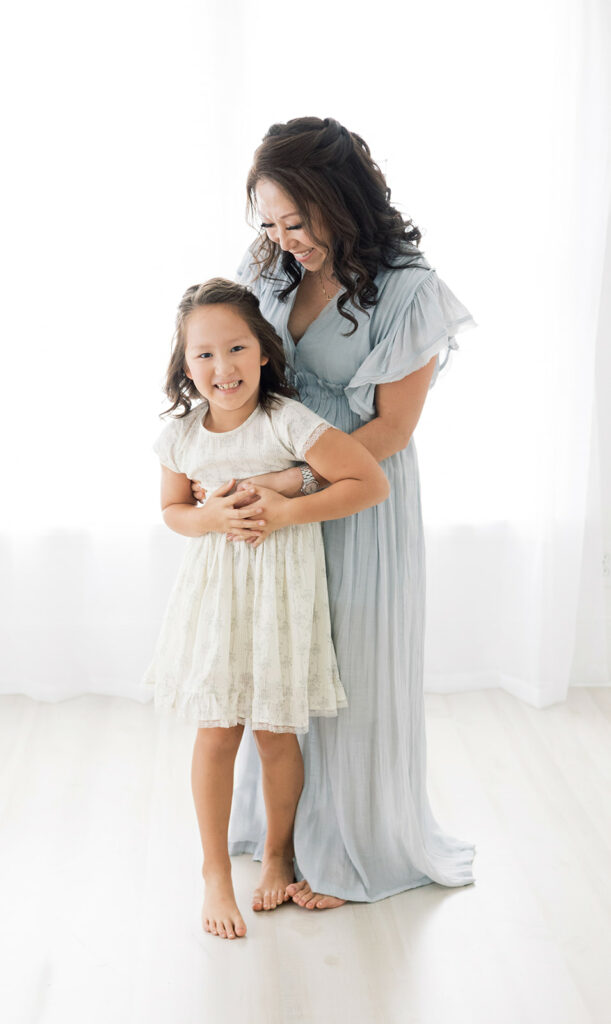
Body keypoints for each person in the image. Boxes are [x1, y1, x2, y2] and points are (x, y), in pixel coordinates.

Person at [192, 116, 478, 909]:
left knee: (347, 672)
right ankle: (279, 840)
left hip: (354, 496)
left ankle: (346, 845)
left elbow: (390, 428)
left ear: (343, 202)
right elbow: (235, 361)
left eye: (299, 221)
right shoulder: (273, 268)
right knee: (275, 666)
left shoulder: (408, 288)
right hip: (271, 487)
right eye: (270, 223)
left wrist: (291, 485)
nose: (285, 240)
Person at [142, 277, 390, 939]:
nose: (221, 368)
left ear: (262, 353)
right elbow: (171, 511)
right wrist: (207, 517)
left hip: (281, 596)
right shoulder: (182, 434)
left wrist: (285, 508)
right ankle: (215, 870)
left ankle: (277, 852)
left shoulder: (287, 421)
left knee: (276, 734)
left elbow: (368, 481)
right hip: (217, 598)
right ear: (184, 364)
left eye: (235, 349)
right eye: (203, 355)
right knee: (216, 730)